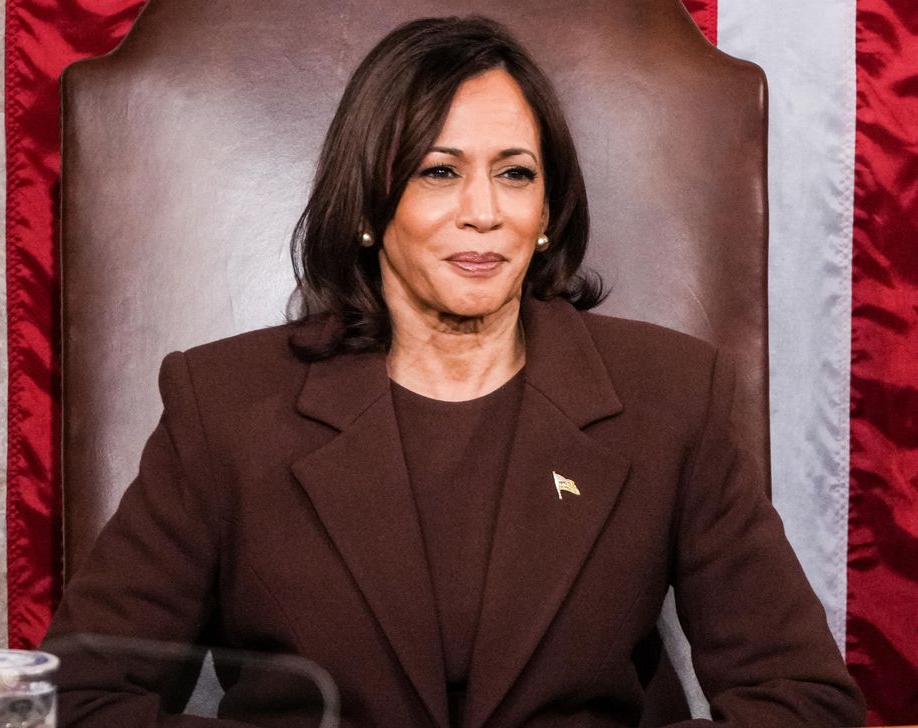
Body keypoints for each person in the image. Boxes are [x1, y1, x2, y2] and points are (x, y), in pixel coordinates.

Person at [43, 15, 865, 728]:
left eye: (516, 173)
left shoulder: (671, 394)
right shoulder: (222, 405)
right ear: (369, 206)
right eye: (439, 171)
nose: (485, 211)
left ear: (547, 212)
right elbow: (77, 700)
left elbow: (804, 700)